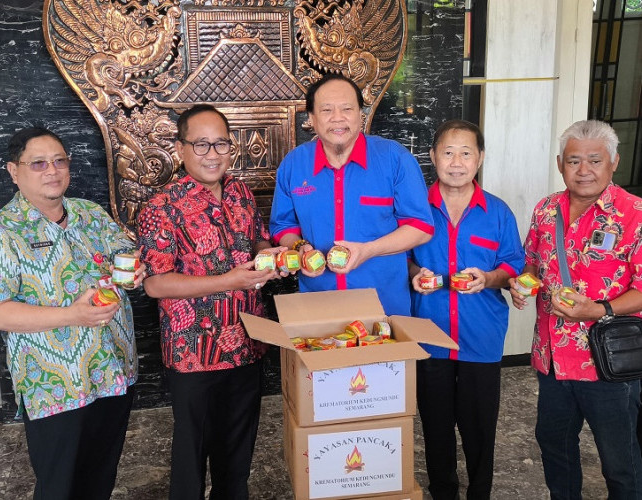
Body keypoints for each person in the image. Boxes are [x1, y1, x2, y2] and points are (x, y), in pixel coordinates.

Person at [0, 126, 144, 500]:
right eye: (38, 163)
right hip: (56, 387)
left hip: (113, 372)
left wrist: (133, 270)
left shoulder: (90, 213)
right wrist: (71, 315)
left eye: (59, 160)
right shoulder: (2, 233)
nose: (52, 170)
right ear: (13, 171)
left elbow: (121, 259)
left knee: (100, 478)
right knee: (59, 487)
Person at [137, 104, 279, 500]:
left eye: (220, 143)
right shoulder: (160, 208)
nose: (212, 154)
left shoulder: (240, 192)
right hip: (194, 353)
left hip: (248, 343)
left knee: (238, 457)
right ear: (180, 149)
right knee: (191, 456)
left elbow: (260, 240)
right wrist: (228, 280)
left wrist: (269, 260)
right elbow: (155, 284)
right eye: (201, 145)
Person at [510, 120, 642, 499]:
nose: (583, 170)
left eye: (594, 160)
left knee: (620, 460)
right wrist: (524, 284)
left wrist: (598, 309)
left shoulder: (634, 215)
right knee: (554, 446)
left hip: (608, 362)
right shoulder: (547, 209)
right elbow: (533, 262)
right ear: (559, 163)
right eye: (573, 161)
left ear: (614, 162)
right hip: (552, 358)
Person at [408, 120, 524, 500]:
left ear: (480, 159)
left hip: (481, 337)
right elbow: (399, 257)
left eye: (466, 153)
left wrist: (488, 278)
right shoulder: (413, 207)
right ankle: (444, 493)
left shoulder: (498, 212)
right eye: (447, 152)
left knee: (479, 429)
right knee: (436, 428)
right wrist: (414, 273)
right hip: (429, 336)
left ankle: (480, 493)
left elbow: (512, 263)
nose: (456, 162)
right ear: (432, 157)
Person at [269, 73, 434, 316]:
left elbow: (421, 227)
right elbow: (283, 225)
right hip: (318, 306)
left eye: (347, 108)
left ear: (360, 115)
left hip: (386, 307)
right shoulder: (294, 164)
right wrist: (300, 247)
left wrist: (369, 250)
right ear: (312, 119)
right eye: (326, 110)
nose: (338, 118)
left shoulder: (394, 159)